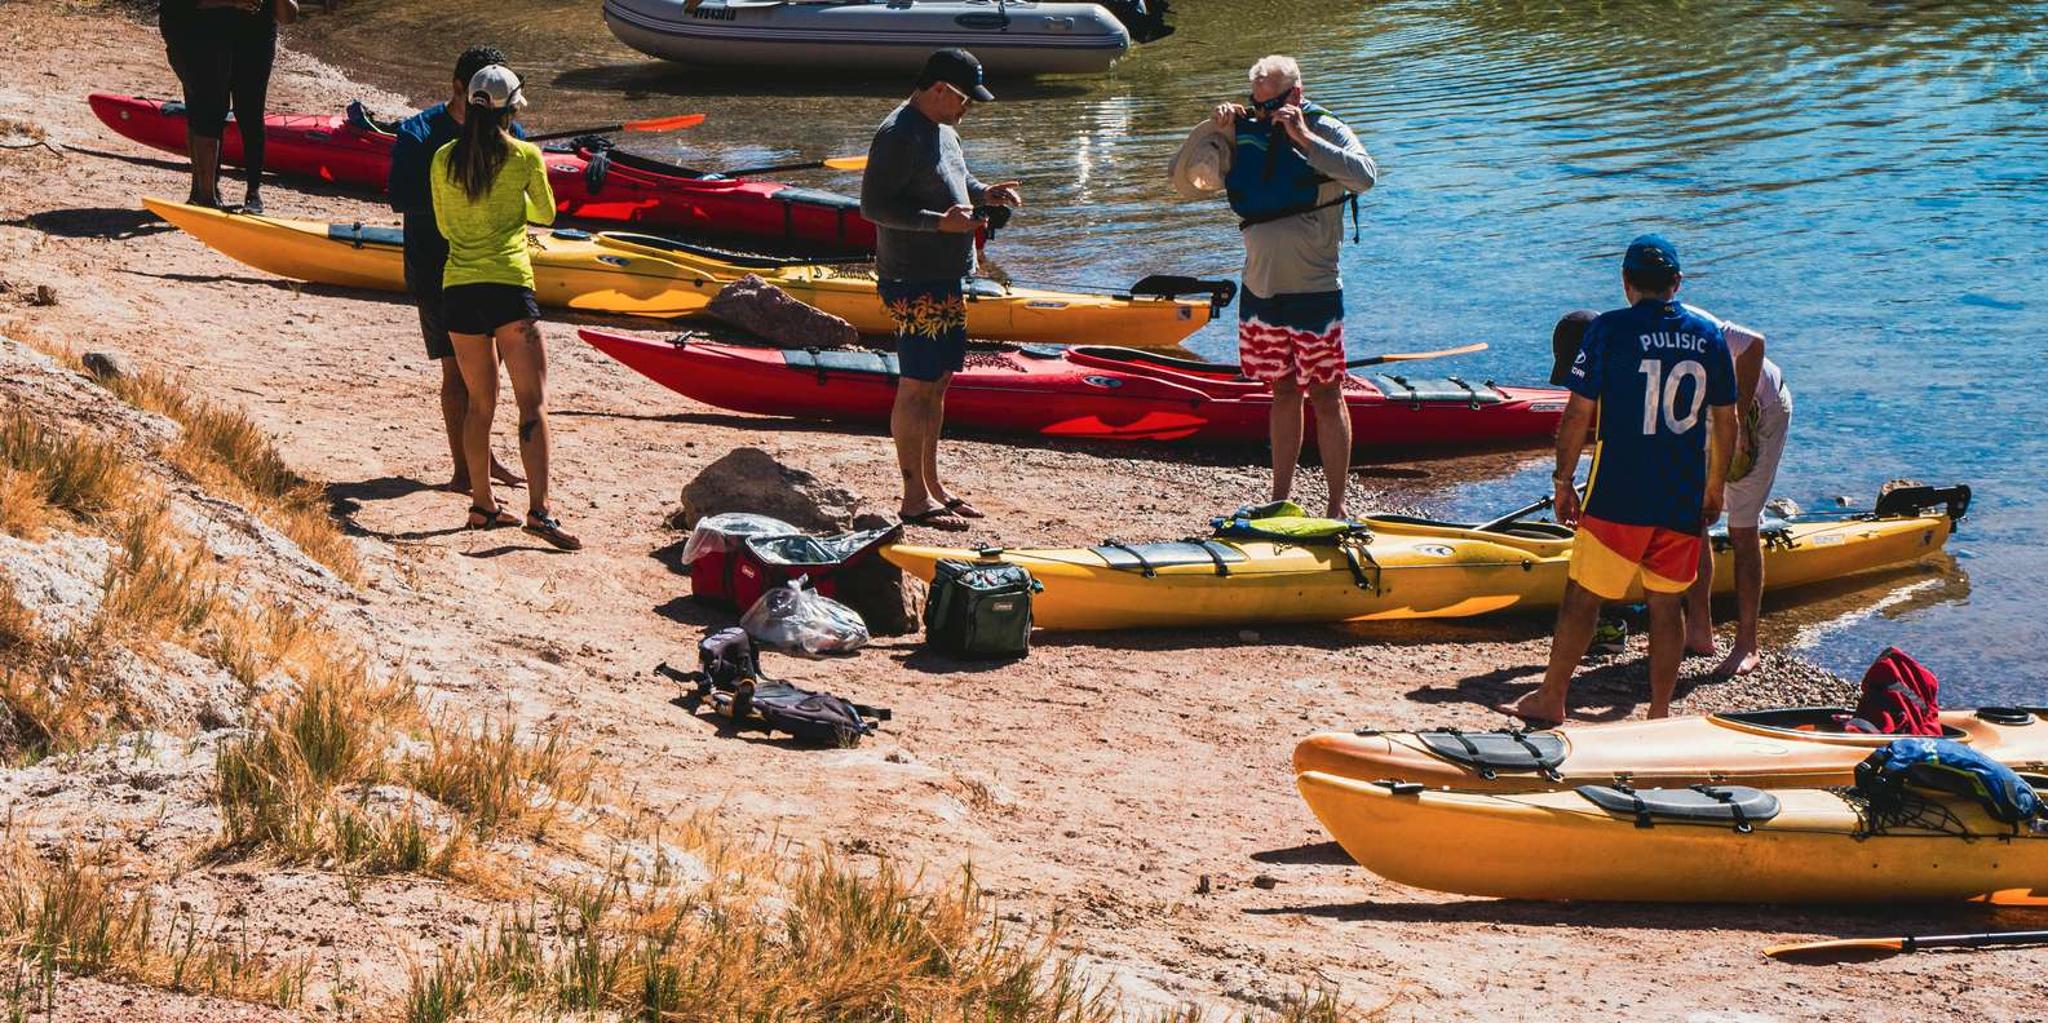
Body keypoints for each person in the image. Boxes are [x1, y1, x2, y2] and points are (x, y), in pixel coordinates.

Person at [1509, 236, 1738, 725]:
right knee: (1666, 604)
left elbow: (1577, 414)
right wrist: (1714, 488)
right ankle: (1657, 712)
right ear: (1676, 283)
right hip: (1681, 493)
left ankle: (1552, 698)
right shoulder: (1708, 335)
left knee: (1582, 597)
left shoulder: (1609, 330)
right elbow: (1727, 420)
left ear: (1626, 282)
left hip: (1619, 492)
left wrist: (1563, 480)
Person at [1169, 55, 1377, 518]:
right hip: (1260, 290)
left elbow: (1366, 176)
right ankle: (1280, 498)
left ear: (1297, 95)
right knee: (1282, 390)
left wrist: (1302, 136)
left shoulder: (1327, 129)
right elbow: (1184, 180)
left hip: (1315, 290)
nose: (1263, 114)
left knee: (1325, 393)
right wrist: (1215, 130)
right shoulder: (1247, 127)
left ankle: (1336, 507)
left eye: (1273, 104)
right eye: (1256, 104)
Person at [859, 49, 1022, 530]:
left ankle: (933, 486)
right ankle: (912, 499)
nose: (968, 108)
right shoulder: (897, 134)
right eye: (965, 99)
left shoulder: (945, 129)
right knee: (916, 387)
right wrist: (938, 224)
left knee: (939, 381)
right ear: (939, 90)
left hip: (947, 274)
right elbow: (873, 206)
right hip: (912, 277)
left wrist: (983, 194)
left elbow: (956, 179)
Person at [430, 64, 579, 551]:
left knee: (480, 404)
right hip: (509, 288)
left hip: (459, 289)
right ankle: (539, 512)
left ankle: (483, 505)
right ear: (511, 109)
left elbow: (445, 226)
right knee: (532, 405)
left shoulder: (443, 159)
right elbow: (546, 213)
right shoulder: (525, 156)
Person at [389, 45, 524, 496]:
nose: (493, 109)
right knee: (457, 375)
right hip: (436, 269)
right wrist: (462, 195)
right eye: (480, 96)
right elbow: (401, 198)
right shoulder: (418, 133)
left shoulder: (507, 126)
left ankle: (482, 460)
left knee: (488, 378)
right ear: (458, 89)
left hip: (493, 267)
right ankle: (464, 472)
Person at [1684, 316, 1790, 678]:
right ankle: (1699, 630)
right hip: (1710, 413)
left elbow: (1755, 344)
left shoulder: (1691, 321)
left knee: (1742, 527)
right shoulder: (1631, 337)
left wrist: (1739, 424)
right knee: (1692, 514)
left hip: (1760, 405)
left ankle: (1748, 645)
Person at [158, 0, 299, 211]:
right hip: (211, 35)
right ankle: (207, 192)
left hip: (257, 40)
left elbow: (289, 16)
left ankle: (253, 193)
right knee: (212, 109)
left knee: (250, 113)